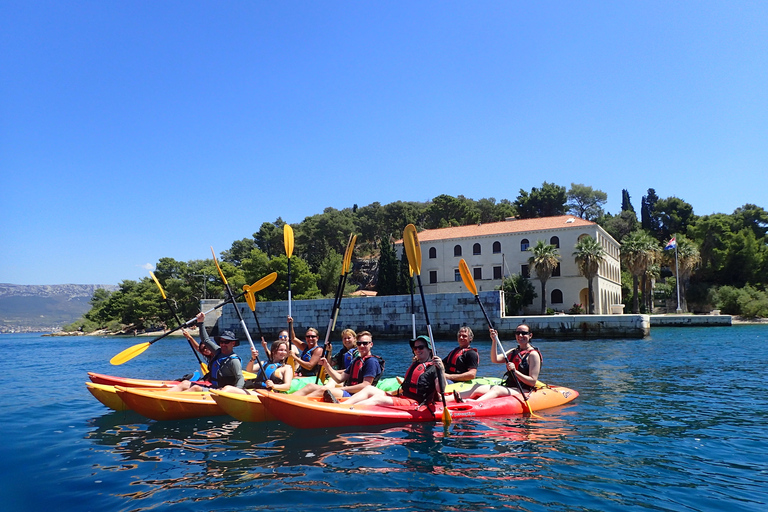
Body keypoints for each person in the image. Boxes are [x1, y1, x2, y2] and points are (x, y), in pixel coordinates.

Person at [343, 335, 446, 407]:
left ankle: (349, 410)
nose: (417, 350)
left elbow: (440, 389)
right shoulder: (416, 363)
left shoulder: (434, 368)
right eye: (415, 348)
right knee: (369, 389)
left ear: (429, 350)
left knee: (378, 399)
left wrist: (441, 370)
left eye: (421, 347)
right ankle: (342, 406)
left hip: (415, 402)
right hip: (403, 397)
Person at [451, 324, 541, 403]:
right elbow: (495, 359)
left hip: (524, 390)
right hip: (511, 387)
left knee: (497, 389)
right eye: (517, 333)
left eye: (524, 333)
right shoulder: (514, 351)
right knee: (477, 387)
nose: (520, 335)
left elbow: (532, 382)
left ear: (530, 335)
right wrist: (494, 341)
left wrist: (515, 371)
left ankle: (472, 403)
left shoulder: (533, 355)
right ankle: (446, 398)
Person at [292, 331, 383, 401]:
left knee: (324, 390)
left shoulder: (371, 362)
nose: (362, 346)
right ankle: (289, 399)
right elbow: (339, 378)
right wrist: (327, 366)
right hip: (348, 391)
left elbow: (365, 385)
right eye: (359, 343)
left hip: (357, 395)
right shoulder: (357, 360)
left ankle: (298, 403)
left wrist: (343, 388)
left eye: (365, 343)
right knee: (311, 386)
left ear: (371, 344)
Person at [167, 313, 245, 392]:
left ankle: (176, 401)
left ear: (233, 343)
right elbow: (205, 340)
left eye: (226, 342)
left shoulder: (233, 360)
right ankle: (164, 397)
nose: (223, 344)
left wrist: (237, 391)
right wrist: (201, 323)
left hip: (221, 391)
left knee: (195, 388)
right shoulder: (218, 351)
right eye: (222, 341)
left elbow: (240, 377)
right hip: (212, 386)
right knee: (185, 383)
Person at [220, 338, 294, 394]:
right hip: (256, 391)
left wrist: (274, 386)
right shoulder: (264, 363)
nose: (283, 352)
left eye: (285, 350)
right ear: (274, 351)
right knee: (225, 388)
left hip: (269, 394)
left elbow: (287, 386)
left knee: (228, 389)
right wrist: (253, 358)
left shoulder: (286, 368)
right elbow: (249, 369)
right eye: (281, 350)